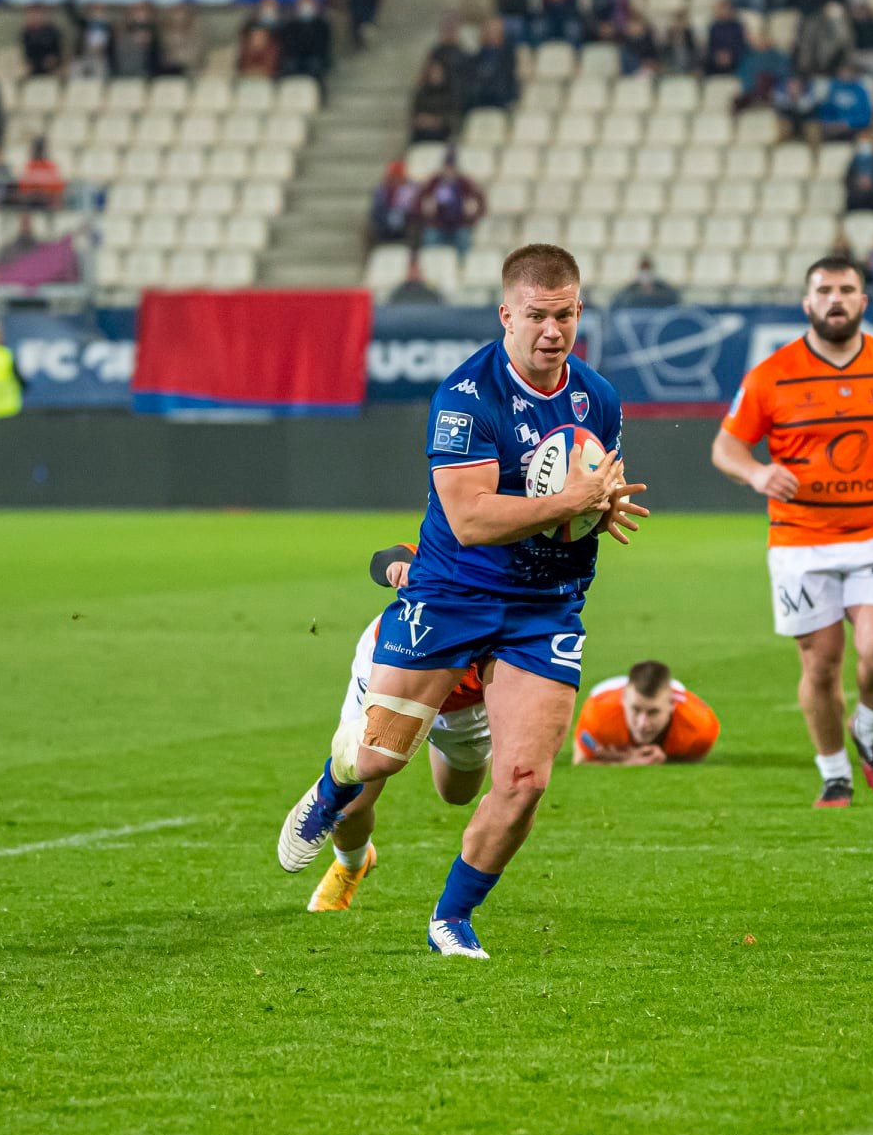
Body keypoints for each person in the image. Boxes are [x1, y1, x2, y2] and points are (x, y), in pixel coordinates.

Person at [276, 244, 650, 959]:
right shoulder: (465, 395)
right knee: (378, 762)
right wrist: (571, 500)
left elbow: (586, 484)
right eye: (537, 315)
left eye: (566, 314)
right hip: (453, 594)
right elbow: (472, 521)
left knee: (524, 781)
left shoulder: (597, 396)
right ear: (506, 313)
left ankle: (452, 918)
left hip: (545, 604)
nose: (552, 330)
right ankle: (331, 791)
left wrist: (600, 507)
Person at [710, 254, 873, 808]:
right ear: (808, 303)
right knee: (821, 664)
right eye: (824, 290)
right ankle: (834, 772)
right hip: (799, 541)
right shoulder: (771, 374)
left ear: (863, 301)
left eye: (847, 289)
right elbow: (725, 446)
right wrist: (756, 472)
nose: (835, 299)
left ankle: (868, 730)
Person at [305, 542, 493, 913]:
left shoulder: (524, 575)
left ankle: (432, 739)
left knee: (457, 794)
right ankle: (351, 865)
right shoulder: (461, 536)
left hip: (462, 704)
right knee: (352, 799)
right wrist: (399, 565)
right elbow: (387, 557)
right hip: (391, 666)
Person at [573, 660, 720, 765]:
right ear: (623, 701)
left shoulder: (699, 726)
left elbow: (692, 760)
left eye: (653, 712)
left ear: (671, 705)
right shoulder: (598, 715)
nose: (642, 723)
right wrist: (625, 762)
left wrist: (665, 760)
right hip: (607, 691)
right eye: (635, 710)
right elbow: (580, 762)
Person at [414, 150, 484, 254]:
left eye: (451, 167)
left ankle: (462, 267)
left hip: (459, 225)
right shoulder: (433, 183)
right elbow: (418, 202)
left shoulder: (465, 183)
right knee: (430, 238)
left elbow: (480, 202)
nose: (449, 171)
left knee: (464, 238)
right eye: (447, 167)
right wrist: (425, 210)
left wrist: (473, 211)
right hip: (437, 226)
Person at [277, 0, 332, 88]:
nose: (306, 8)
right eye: (303, 5)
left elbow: (323, 46)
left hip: (315, 56)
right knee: (289, 65)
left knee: (315, 65)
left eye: (308, 5)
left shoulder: (322, 25)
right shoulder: (291, 25)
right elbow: (288, 44)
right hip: (295, 56)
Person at [610, 256, 681, 307]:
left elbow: (674, 300)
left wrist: (654, 293)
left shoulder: (663, 288)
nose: (645, 273)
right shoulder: (630, 289)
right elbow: (619, 302)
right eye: (643, 269)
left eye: (648, 269)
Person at [21, 5, 65, 76]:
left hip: (51, 64)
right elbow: (27, 52)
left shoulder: (52, 31)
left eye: (37, 14)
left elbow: (57, 50)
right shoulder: (26, 33)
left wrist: (53, 60)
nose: (35, 17)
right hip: (33, 64)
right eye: (32, 15)